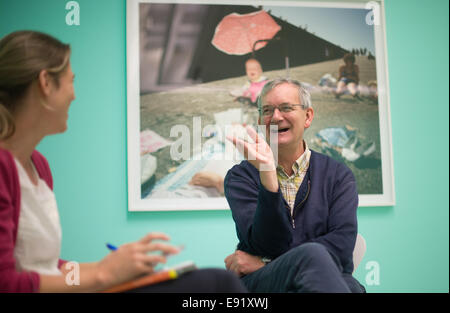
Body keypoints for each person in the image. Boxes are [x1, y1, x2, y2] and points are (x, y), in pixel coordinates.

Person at [0, 30, 246, 293]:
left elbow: (51, 268)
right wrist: (103, 275)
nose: (74, 94)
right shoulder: (4, 167)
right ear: (46, 83)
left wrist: (116, 268)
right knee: (219, 285)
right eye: (71, 81)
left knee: (217, 282)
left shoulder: (38, 165)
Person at [224, 78, 365, 293]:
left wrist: (267, 263)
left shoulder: (338, 175)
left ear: (308, 116)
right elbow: (262, 243)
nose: (276, 117)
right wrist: (268, 176)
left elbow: (342, 247)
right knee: (331, 271)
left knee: (346, 284)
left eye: (286, 108)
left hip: (302, 276)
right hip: (262, 283)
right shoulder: (240, 177)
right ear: (261, 119)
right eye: (268, 110)